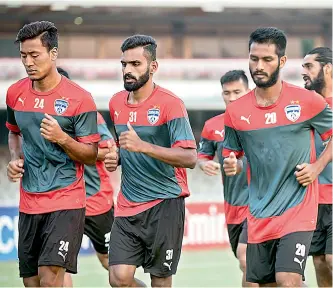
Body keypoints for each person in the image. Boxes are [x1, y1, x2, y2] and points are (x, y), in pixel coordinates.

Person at [222, 27, 332, 287]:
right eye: (254, 59)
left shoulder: (308, 101)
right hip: (259, 213)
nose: (259, 66)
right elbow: (233, 154)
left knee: (288, 279)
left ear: (281, 61)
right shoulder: (236, 112)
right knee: (268, 284)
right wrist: (231, 164)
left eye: (267, 59)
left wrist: (317, 166)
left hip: (298, 209)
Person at [6, 21, 100, 287]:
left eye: (35, 55)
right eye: (24, 55)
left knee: (50, 280)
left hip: (66, 200)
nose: (28, 62)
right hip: (29, 201)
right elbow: (13, 132)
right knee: (31, 282)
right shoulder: (15, 93)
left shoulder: (80, 99)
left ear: (53, 54)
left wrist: (62, 138)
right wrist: (15, 158)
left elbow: (91, 155)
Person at [104, 34, 197, 288]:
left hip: (164, 204)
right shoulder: (115, 103)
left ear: (153, 67)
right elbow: (125, 146)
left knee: (161, 280)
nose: (128, 70)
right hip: (127, 204)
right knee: (118, 278)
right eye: (124, 64)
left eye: (136, 64)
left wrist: (143, 146)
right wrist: (116, 156)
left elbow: (190, 157)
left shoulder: (171, 104)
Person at [56, 68, 115, 286]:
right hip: (61, 203)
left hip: (96, 202)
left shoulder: (88, 115)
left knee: (112, 265)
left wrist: (71, 145)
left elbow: (110, 150)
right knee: (56, 266)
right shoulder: (39, 118)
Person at [198, 70, 256, 287]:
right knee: (261, 274)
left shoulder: (261, 121)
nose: (232, 98)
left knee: (246, 259)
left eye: (237, 92)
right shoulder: (213, 126)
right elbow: (201, 157)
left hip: (261, 204)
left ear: (248, 92)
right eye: (227, 93)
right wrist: (205, 165)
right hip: (233, 207)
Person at [302, 47, 332, 287]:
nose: (304, 72)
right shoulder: (305, 107)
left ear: (328, 68)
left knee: (331, 259)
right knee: (320, 262)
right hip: (312, 200)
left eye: (309, 66)